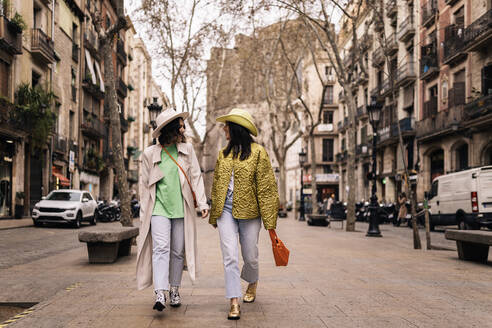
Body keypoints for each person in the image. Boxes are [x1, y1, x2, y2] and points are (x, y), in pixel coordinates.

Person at [136, 108, 209, 312]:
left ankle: (174, 289)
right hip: (158, 209)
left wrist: (202, 204)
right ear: (170, 129)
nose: (183, 128)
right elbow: (143, 187)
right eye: (180, 125)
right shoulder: (150, 154)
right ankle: (160, 292)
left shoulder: (187, 150)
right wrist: (144, 217)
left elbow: (195, 176)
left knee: (177, 252)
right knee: (161, 248)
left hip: (181, 209)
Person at [210, 108, 279, 320]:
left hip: (251, 212)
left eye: (226, 126)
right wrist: (214, 213)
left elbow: (266, 187)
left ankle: (252, 281)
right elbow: (217, 184)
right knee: (230, 256)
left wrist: (270, 221)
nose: (223, 129)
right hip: (226, 211)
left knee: (250, 256)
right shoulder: (223, 154)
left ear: (235, 128)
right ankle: (234, 301)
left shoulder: (258, 152)